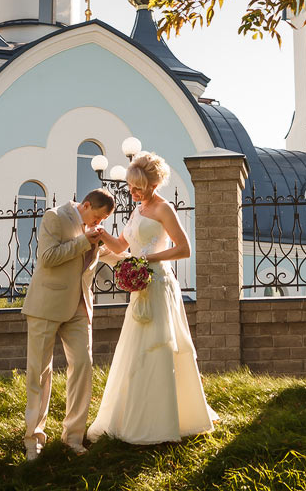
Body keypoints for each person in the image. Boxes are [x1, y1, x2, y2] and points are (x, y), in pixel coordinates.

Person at [88, 151, 218, 444]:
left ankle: (164, 421)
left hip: (158, 283)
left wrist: (147, 260)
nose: (132, 192)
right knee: (136, 347)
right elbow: (123, 244)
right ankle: (132, 415)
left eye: (137, 188)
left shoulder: (164, 209)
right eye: (131, 187)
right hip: (141, 284)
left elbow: (184, 249)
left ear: (151, 185)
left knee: (158, 346)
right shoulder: (138, 210)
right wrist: (101, 235)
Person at [21, 187, 115, 459]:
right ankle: (33, 439)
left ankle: (73, 437)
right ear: (85, 205)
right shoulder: (55, 217)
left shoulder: (92, 228)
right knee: (39, 372)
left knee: (83, 366)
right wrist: (84, 241)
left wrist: (142, 260)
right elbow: (48, 258)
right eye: (97, 217)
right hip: (46, 305)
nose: (98, 224)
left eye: (101, 221)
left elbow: (108, 253)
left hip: (79, 308)